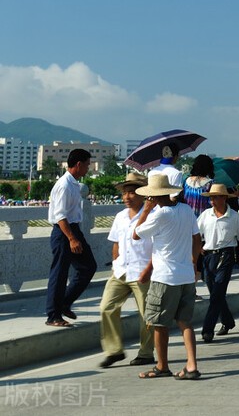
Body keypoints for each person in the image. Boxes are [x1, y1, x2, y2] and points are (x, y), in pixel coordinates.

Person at [131, 174, 202, 380]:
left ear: (152, 195)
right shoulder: (186, 210)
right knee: (185, 322)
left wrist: (145, 211)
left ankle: (162, 366)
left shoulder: (159, 215)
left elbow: (136, 235)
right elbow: (197, 239)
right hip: (186, 275)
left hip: (165, 277)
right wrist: (194, 262)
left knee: (159, 323)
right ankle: (191, 365)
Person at [98, 173, 155, 368]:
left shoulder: (152, 216)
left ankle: (146, 353)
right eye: (124, 193)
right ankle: (114, 350)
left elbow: (159, 246)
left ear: (142, 194)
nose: (127, 197)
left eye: (131, 192)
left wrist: (150, 268)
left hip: (143, 270)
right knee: (106, 307)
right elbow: (116, 244)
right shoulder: (120, 217)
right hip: (121, 270)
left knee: (146, 314)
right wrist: (115, 264)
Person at [195, 183, 239, 343]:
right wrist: (196, 255)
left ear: (224, 198)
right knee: (215, 293)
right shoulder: (205, 215)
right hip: (208, 257)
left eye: (216, 197)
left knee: (217, 293)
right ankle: (228, 321)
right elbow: (195, 236)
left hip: (226, 255)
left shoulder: (234, 216)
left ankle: (207, 330)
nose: (213, 201)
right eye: (212, 198)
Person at [46, 147, 97, 328]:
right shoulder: (64, 185)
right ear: (78, 164)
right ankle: (53, 315)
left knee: (88, 267)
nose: (88, 169)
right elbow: (60, 216)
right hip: (64, 232)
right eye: (87, 165)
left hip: (74, 230)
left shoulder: (73, 183)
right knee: (59, 273)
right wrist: (72, 239)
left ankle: (65, 303)